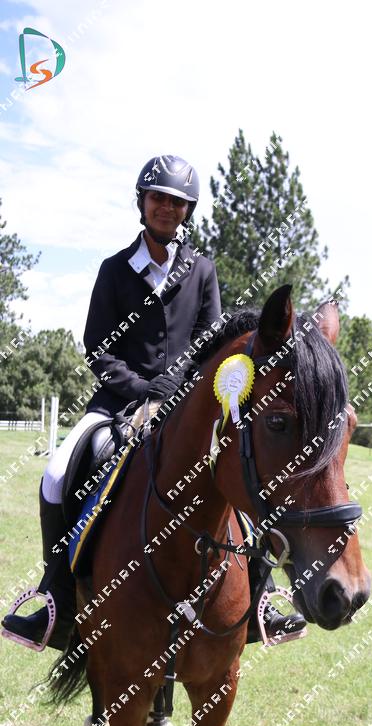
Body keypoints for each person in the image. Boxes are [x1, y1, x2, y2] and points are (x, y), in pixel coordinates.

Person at [2, 154, 305, 651]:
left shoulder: (202, 270)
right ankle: (56, 596)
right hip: (118, 401)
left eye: (177, 202)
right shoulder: (114, 270)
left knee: (239, 468)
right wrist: (141, 389)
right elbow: (98, 346)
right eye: (158, 198)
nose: (166, 208)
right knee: (56, 473)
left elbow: (211, 341)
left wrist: (176, 387)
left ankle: (262, 598)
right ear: (142, 203)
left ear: (188, 211)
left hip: (189, 404)